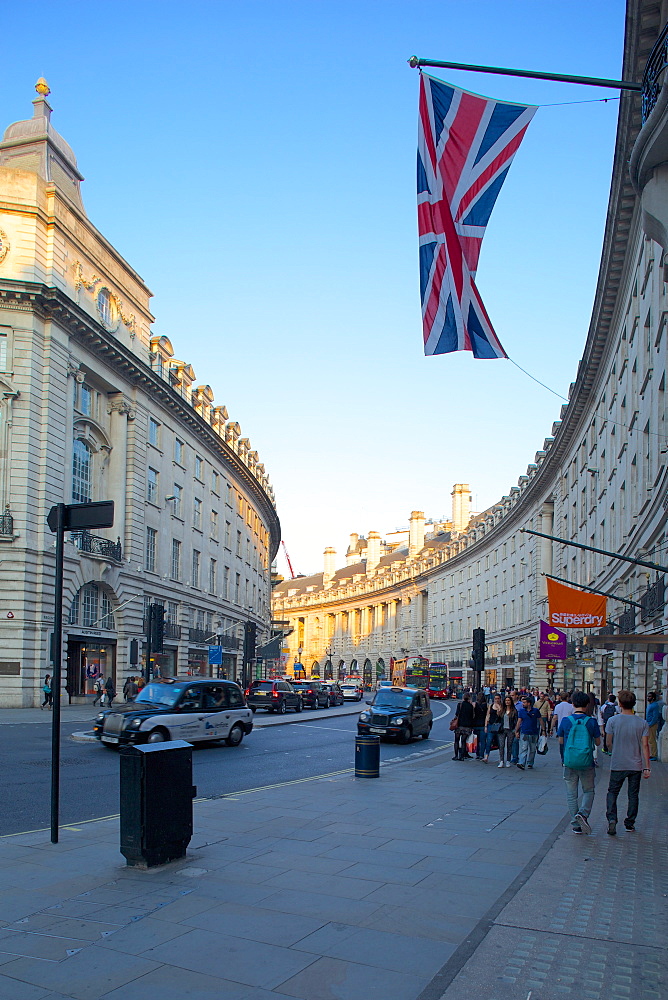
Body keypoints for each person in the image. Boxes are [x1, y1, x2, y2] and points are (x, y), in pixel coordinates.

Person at [605, 690, 651, 835]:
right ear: (634, 704)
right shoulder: (642, 723)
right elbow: (645, 745)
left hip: (618, 762)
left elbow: (608, 742)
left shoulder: (613, 721)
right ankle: (629, 823)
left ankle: (612, 819)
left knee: (612, 792)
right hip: (635, 764)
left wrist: (613, 751)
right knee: (633, 794)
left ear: (619, 704)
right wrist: (647, 767)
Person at [558, 690, 601, 835]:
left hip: (570, 761)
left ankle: (576, 824)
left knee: (571, 793)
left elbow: (561, 740)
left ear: (573, 703)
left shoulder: (566, 721)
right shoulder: (591, 721)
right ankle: (583, 814)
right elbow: (598, 742)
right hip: (587, 761)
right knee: (589, 790)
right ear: (587, 704)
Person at [515, 695, 542, 770]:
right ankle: (522, 763)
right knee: (524, 748)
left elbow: (540, 720)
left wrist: (544, 730)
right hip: (524, 732)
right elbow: (519, 721)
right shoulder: (521, 711)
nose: (522, 704)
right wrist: (516, 730)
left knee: (532, 749)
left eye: (524, 702)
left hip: (534, 732)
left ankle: (530, 763)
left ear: (529, 703)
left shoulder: (535, 711)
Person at [452, 692, 475, 761]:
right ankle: (462, 756)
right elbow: (472, 716)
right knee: (463, 741)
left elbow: (457, 714)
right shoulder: (471, 706)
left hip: (459, 725)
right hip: (467, 726)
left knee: (456, 741)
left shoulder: (460, 704)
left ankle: (456, 755)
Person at [498, 695, 518, 768]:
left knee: (509, 746)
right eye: (506, 700)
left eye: (508, 700)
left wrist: (515, 730)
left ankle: (508, 760)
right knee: (501, 745)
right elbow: (498, 719)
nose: (507, 702)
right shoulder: (502, 710)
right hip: (502, 730)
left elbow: (516, 721)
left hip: (510, 730)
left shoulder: (514, 711)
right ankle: (501, 761)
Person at [483, 693, 504, 763]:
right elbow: (487, 715)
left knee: (500, 742)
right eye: (495, 699)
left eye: (498, 698)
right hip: (491, 725)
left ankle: (501, 758)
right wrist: (486, 726)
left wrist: (499, 708)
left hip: (499, 726)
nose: (497, 700)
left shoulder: (502, 706)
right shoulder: (491, 706)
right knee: (489, 740)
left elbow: (500, 715)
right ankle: (486, 756)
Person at [645, 691, 664, 761]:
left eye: (649, 696)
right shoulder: (650, 704)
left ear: (653, 697)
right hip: (649, 723)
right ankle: (652, 754)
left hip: (652, 725)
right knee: (650, 740)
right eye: (648, 696)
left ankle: (654, 755)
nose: (648, 698)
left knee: (652, 740)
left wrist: (650, 724)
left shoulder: (655, 705)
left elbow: (655, 716)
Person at [472, 693, 488, 760]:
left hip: (475, 724)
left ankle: (477, 754)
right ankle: (481, 754)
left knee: (477, 741)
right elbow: (487, 716)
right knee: (483, 741)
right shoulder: (486, 705)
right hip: (483, 725)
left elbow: (473, 715)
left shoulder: (475, 705)